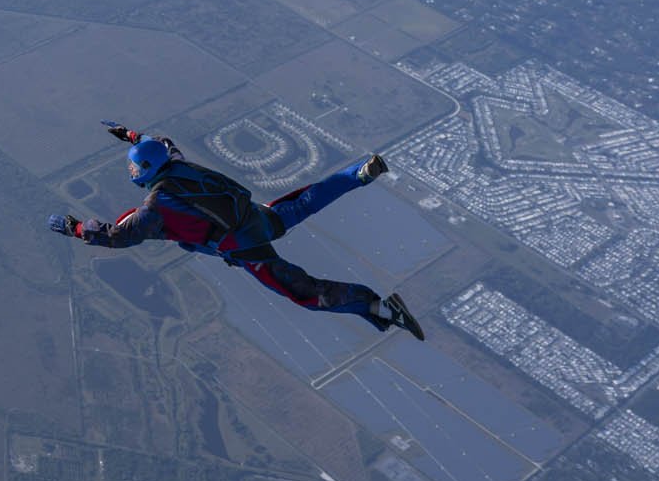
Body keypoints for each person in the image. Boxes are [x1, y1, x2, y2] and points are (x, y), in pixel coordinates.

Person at [49, 126, 422, 336]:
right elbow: (164, 142)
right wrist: (132, 136)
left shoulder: (154, 207)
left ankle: (379, 307)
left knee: (302, 291)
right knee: (306, 201)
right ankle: (360, 173)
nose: (131, 174)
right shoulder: (177, 164)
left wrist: (75, 227)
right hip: (254, 216)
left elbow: (117, 236)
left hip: (243, 244)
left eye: (134, 168)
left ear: (147, 170)